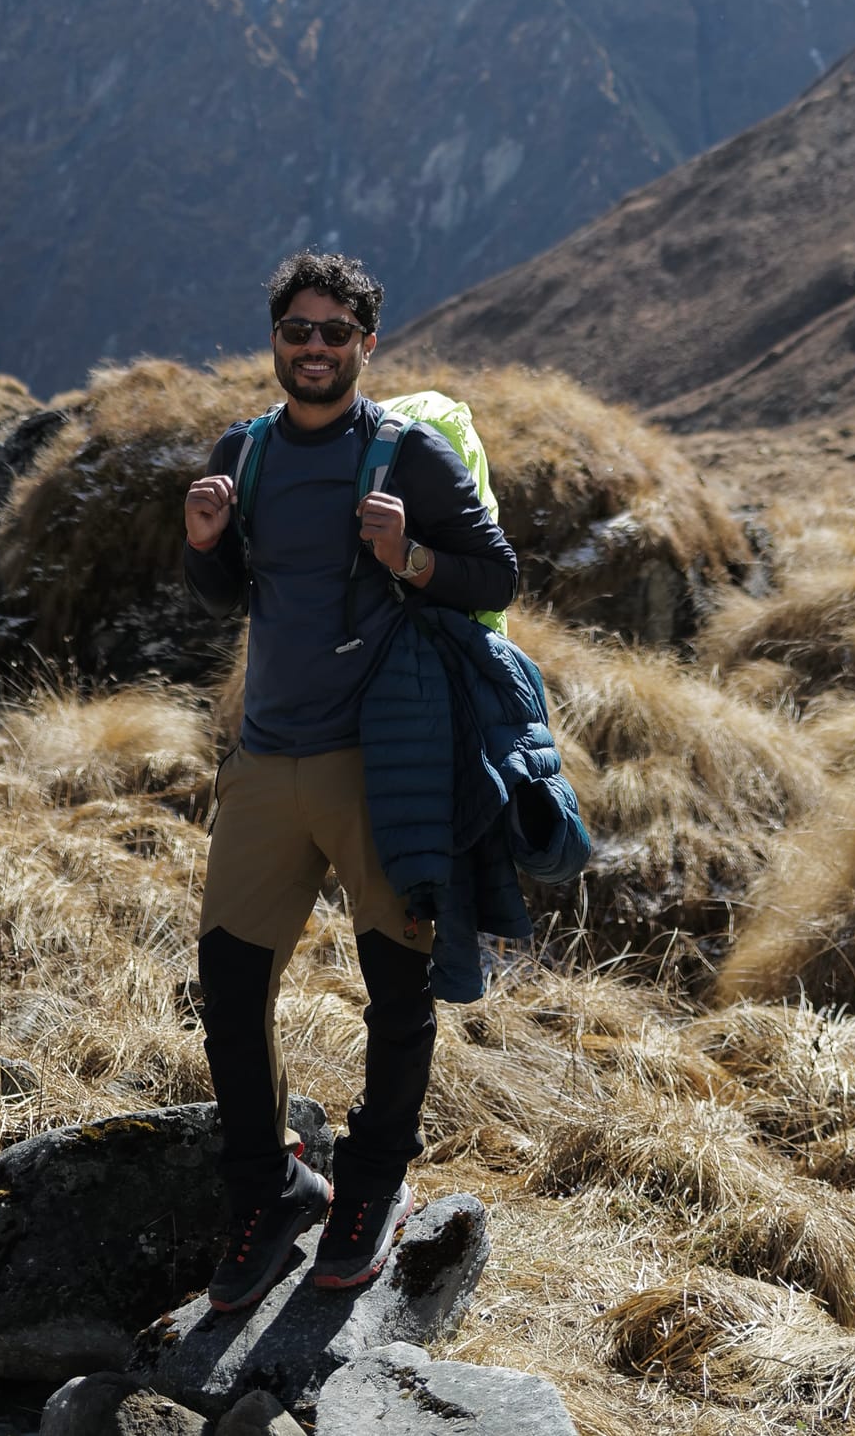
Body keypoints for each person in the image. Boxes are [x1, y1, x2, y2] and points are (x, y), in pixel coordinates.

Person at [184, 248, 519, 1309]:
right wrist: (201, 545)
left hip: (375, 768)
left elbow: (496, 573)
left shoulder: (406, 454)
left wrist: (411, 559)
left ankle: (369, 1185)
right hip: (262, 763)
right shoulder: (244, 451)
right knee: (231, 990)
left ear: (365, 346)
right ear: (275, 338)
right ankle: (269, 1182)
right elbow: (232, 589)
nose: (314, 347)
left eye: (336, 332)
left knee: (396, 991)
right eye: (298, 330)